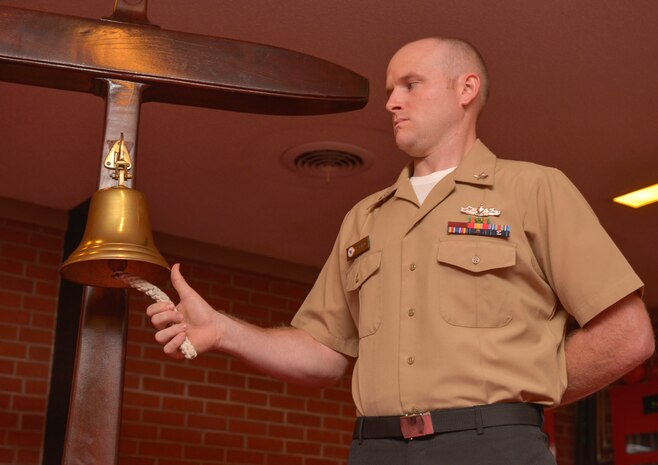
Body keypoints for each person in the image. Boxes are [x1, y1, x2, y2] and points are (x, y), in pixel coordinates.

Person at [147, 37, 655, 464]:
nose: (391, 101)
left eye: (410, 85)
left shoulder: (533, 190)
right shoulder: (364, 218)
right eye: (390, 89)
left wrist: (524, 393)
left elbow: (628, 336)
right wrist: (224, 330)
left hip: (494, 446)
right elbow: (324, 355)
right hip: (378, 448)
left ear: (466, 90)